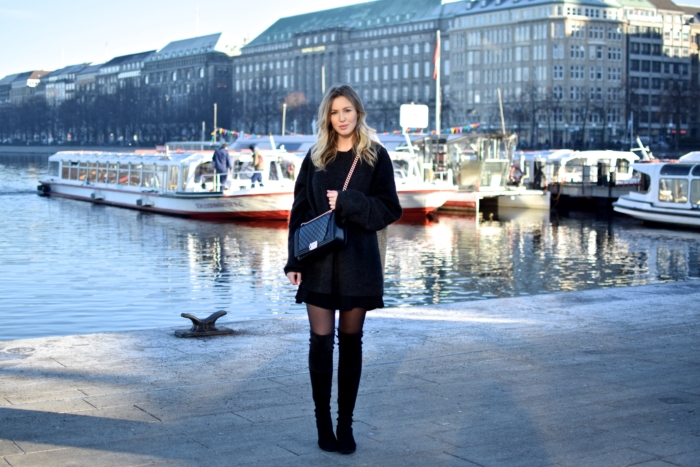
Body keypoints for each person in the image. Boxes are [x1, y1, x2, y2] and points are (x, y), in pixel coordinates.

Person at [284, 84, 402, 455]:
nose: (342, 117)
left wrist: (349, 202)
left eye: (348, 110)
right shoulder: (316, 157)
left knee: (351, 344)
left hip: (358, 263)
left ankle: (345, 425)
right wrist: (293, 259)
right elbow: (299, 212)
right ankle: (322, 424)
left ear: (358, 113)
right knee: (321, 343)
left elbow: (390, 209)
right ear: (328, 117)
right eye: (335, 112)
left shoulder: (376, 157)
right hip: (318, 263)